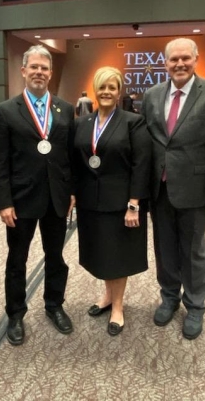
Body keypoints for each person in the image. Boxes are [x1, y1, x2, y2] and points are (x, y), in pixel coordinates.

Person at [141, 38, 205, 340]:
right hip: (159, 188)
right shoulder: (152, 94)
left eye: (185, 58)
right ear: (165, 63)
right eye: (173, 60)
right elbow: (147, 142)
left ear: (195, 59)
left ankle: (195, 305)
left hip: (196, 189)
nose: (179, 64)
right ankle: (169, 296)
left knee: (193, 249)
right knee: (164, 246)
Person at [0, 45, 75, 346]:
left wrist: (72, 191)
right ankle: (15, 314)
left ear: (51, 73)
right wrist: (3, 201)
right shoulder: (5, 111)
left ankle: (54, 305)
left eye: (44, 68)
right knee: (17, 260)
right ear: (23, 71)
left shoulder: (65, 109)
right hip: (21, 200)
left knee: (56, 257)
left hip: (56, 198)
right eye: (34, 67)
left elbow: (70, 155)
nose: (39, 72)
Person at [73, 66, 151, 336]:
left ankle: (118, 306)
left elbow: (142, 165)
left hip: (120, 204)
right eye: (102, 87)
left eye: (112, 87)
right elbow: (77, 163)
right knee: (101, 253)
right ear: (95, 90)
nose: (107, 92)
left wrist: (134, 204)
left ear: (119, 92)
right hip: (90, 203)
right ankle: (107, 296)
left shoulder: (132, 121)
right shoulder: (82, 123)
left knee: (118, 255)